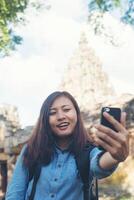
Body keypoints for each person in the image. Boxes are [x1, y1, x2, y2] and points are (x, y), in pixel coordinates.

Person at [5, 91, 129, 200]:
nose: (61, 116)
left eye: (66, 109)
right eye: (52, 112)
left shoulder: (89, 150)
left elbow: (99, 164)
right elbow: (15, 192)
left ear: (77, 114)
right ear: (45, 120)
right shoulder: (31, 149)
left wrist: (115, 157)